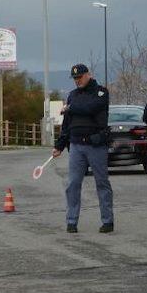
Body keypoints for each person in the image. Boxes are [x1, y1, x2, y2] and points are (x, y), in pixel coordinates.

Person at [51, 64, 114, 234]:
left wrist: (70, 108)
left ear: (88, 75)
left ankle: (107, 221)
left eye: (80, 77)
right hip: (77, 145)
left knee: (101, 183)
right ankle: (71, 221)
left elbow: (90, 108)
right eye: (75, 78)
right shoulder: (72, 96)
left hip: (96, 145)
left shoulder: (101, 92)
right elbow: (67, 124)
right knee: (73, 184)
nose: (77, 81)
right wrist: (60, 145)